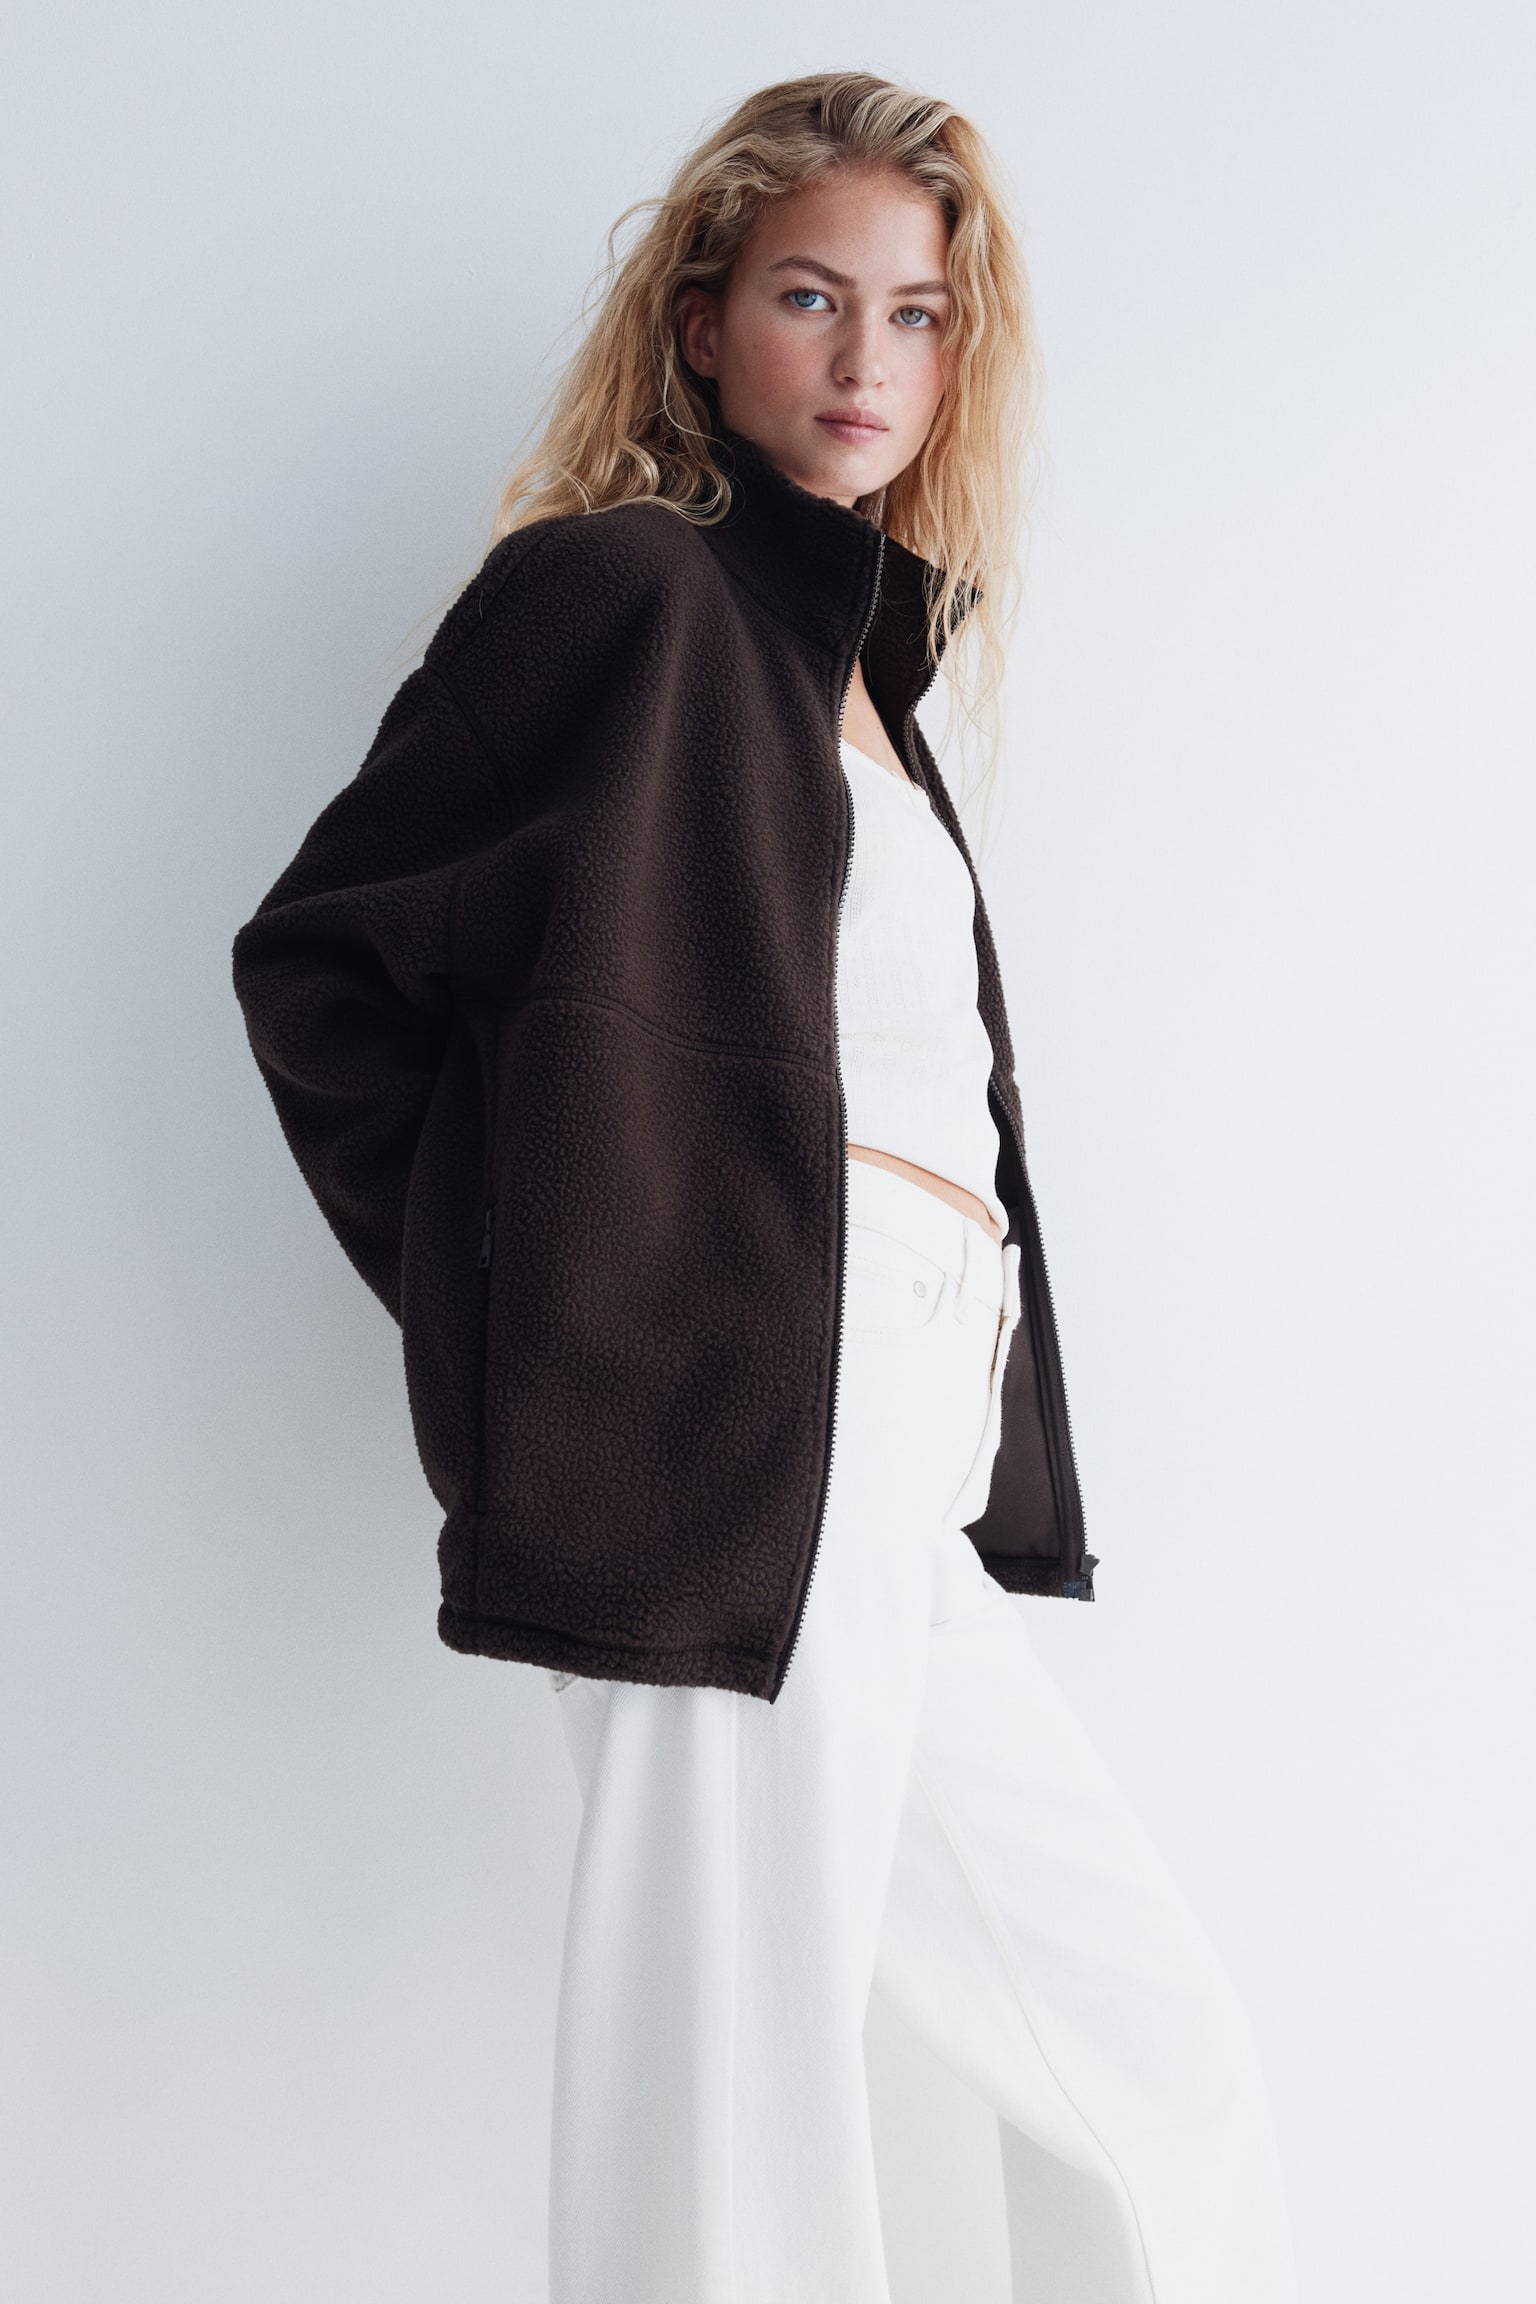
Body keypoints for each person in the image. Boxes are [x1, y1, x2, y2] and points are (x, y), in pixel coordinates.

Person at [232, 70, 1300, 2304]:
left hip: (897, 1432)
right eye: (813, 298)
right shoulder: (618, 594)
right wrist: (559, 1313)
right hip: (718, 1410)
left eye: (917, 314)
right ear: (704, 321)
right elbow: (323, 960)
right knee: (734, 2119)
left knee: (1153, 2063)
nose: (865, 360)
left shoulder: (867, 685)